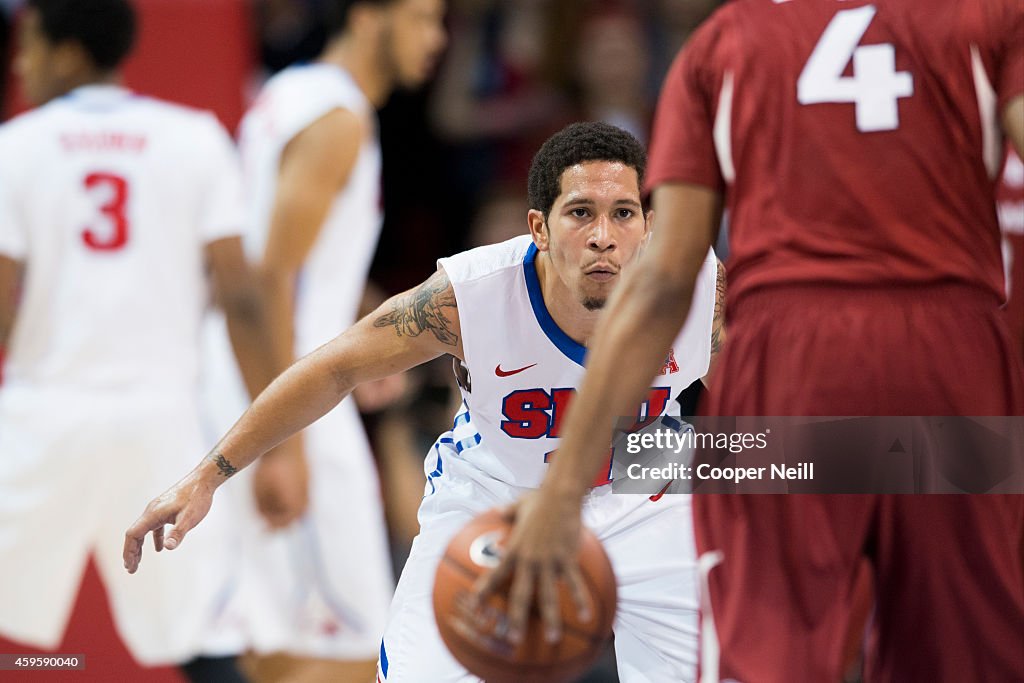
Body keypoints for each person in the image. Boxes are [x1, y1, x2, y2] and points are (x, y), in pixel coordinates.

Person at [482, 1, 1024, 681]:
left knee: (770, 654)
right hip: (954, 353)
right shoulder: (986, 19)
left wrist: (562, 494)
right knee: (969, 660)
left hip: (794, 357)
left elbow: (661, 282)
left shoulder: (723, 45)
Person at [124, 121, 724, 682]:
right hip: (497, 490)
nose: (603, 237)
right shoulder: (469, 297)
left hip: (641, 477)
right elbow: (333, 370)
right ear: (538, 228)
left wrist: (793, 475)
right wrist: (208, 475)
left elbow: (792, 399)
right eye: (580, 213)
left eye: (623, 214)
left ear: (649, 224)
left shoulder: (703, 293)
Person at [0, 1, 276, 681]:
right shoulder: (194, 137)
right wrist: (279, 444)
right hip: (162, 425)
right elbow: (241, 298)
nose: (18, 62)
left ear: (66, 53)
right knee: (198, 640)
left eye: (28, 46)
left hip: (43, 418)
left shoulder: (17, 144)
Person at [199, 1, 446, 680]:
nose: (437, 39)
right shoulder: (338, 121)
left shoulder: (286, 93)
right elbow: (272, 276)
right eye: (424, 19)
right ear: (369, 16)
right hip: (286, 389)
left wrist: (366, 339)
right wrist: (283, 442)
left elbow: (297, 268)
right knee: (350, 648)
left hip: (259, 373)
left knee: (281, 640)